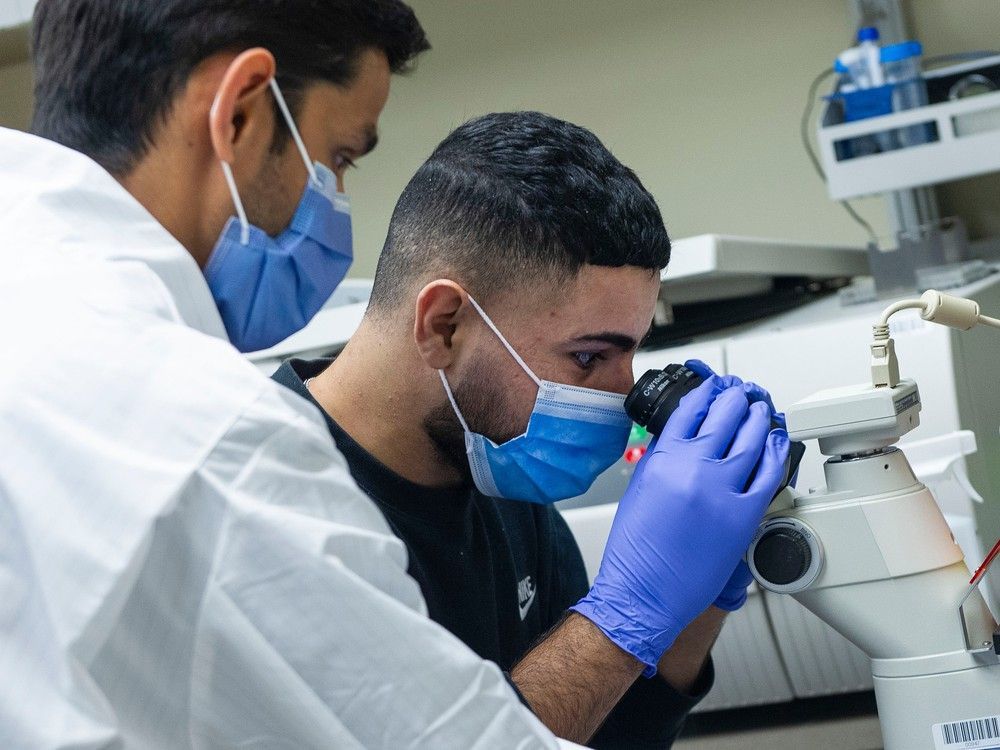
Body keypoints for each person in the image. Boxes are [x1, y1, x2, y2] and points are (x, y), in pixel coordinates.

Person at [0, 1, 788, 747]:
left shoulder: (42, 331)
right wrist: (628, 613)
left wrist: (686, 603)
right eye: (336, 158)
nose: (334, 205)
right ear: (239, 111)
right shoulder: (220, 444)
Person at [272, 110, 785, 748]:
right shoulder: (279, 504)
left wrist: (692, 602)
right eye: (590, 358)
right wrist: (626, 616)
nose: (624, 395)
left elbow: (596, 731)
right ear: (444, 326)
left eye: (631, 355)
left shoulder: (496, 471)